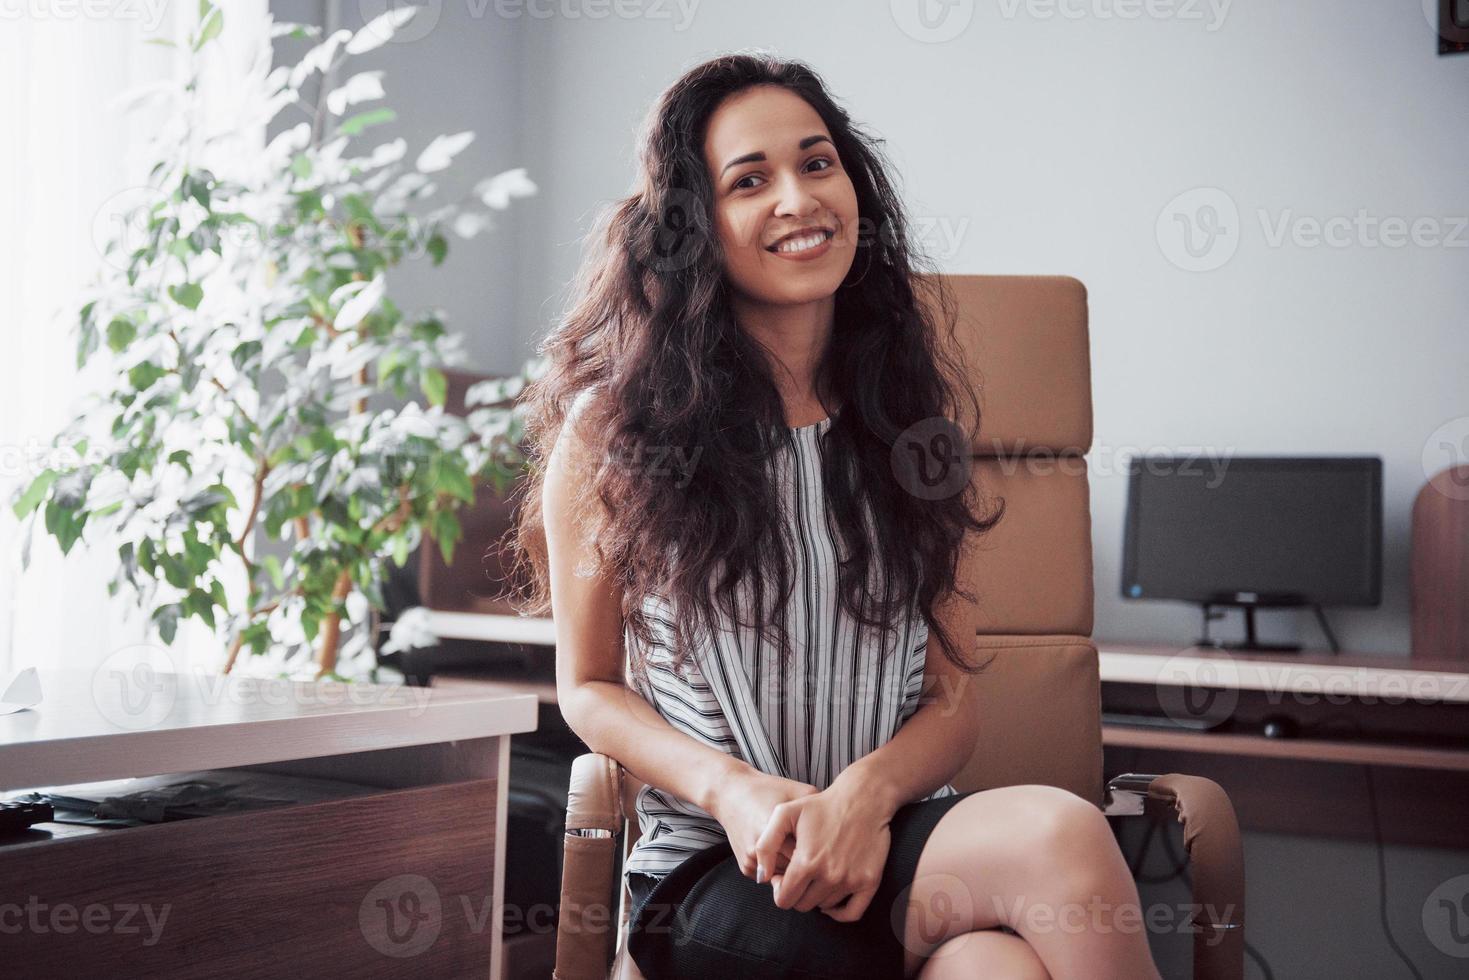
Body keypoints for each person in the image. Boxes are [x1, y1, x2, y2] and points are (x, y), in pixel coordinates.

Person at [505, 51, 1164, 980]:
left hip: (895, 830)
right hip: (718, 865)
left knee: (1010, 940)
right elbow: (590, 688)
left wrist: (861, 801)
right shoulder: (614, 431)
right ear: (694, 225)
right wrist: (732, 792)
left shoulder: (915, 427)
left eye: (817, 164)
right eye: (749, 180)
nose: (797, 198)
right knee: (1029, 886)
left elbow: (949, 697)